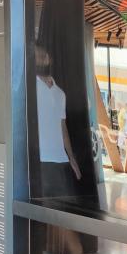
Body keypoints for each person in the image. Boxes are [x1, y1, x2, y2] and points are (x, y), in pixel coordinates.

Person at [35, 44, 81, 197]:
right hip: (39, 160)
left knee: (61, 207)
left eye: (42, 55)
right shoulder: (29, 88)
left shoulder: (60, 94)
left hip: (61, 160)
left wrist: (71, 158)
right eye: (35, 56)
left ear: (49, 59)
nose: (39, 59)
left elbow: (63, 127)